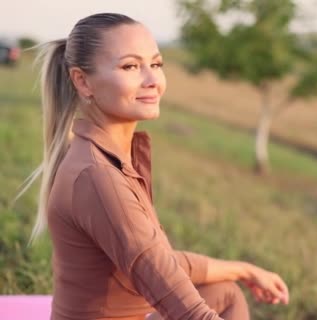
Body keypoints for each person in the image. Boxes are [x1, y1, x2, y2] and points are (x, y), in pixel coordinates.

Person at [19, 13, 289, 320]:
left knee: (224, 290)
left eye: (156, 64)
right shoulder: (98, 178)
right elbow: (188, 311)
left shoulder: (106, 158)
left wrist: (244, 270)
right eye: (130, 66)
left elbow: (156, 261)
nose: (152, 80)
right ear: (83, 81)